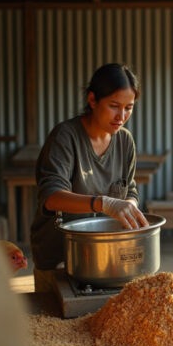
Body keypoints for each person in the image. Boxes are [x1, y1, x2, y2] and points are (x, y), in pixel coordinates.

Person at [30, 63, 148, 290]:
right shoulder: (65, 138)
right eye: (114, 106)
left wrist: (128, 206)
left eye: (129, 108)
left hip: (105, 259)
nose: (121, 116)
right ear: (93, 100)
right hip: (60, 259)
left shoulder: (125, 141)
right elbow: (51, 196)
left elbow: (129, 188)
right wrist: (104, 203)